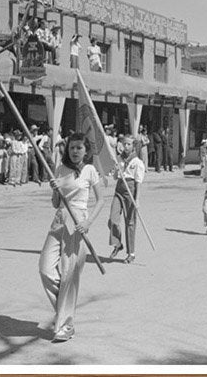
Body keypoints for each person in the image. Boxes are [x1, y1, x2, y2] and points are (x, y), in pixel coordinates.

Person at [38, 132, 103, 343]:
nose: (75, 151)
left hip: (77, 222)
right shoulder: (60, 169)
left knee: (68, 273)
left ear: (86, 151)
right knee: (45, 268)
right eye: (72, 147)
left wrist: (88, 223)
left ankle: (65, 325)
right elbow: (56, 203)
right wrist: (55, 190)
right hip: (59, 220)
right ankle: (64, 310)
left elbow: (101, 200)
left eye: (79, 148)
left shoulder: (90, 170)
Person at [109, 137, 145, 262]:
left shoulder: (137, 162)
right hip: (119, 190)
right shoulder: (118, 158)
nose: (126, 146)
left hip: (130, 191)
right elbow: (114, 177)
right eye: (124, 144)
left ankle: (131, 253)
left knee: (130, 223)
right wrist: (116, 170)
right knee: (113, 220)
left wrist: (137, 199)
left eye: (128, 144)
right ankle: (118, 244)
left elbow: (138, 182)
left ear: (133, 146)